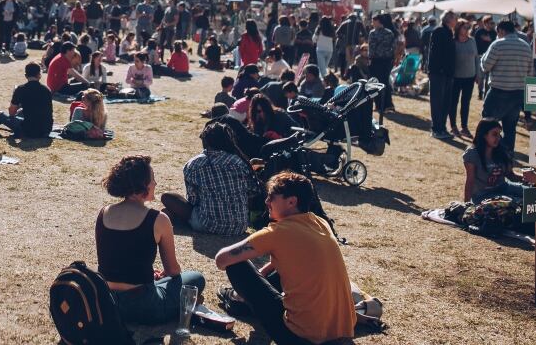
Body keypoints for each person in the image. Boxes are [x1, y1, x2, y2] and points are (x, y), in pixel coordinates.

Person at [215, 171, 356, 345]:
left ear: (291, 201)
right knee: (278, 272)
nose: (266, 201)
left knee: (237, 266)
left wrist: (248, 287)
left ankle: (237, 300)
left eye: (271, 197)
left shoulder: (278, 232)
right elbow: (280, 263)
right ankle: (240, 300)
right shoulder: (320, 223)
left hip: (300, 338)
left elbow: (221, 259)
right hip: (341, 334)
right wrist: (258, 279)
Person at [95, 155, 206, 325]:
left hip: (106, 301)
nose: (155, 184)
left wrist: (146, 272)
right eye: (152, 179)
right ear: (143, 185)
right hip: (145, 305)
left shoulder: (104, 213)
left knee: (160, 281)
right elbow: (173, 271)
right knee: (196, 278)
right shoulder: (158, 219)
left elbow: (116, 258)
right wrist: (159, 276)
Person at [162, 121, 262, 236]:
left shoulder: (194, 164)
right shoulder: (239, 162)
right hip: (239, 226)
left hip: (207, 224)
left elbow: (193, 200)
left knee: (167, 197)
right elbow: (252, 191)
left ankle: (173, 217)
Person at [480, 20, 532, 157]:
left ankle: (489, 153)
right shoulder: (526, 46)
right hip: (518, 93)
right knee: (510, 128)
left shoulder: (498, 44)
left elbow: (485, 66)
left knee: (488, 124)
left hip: (498, 91)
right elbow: (531, 72)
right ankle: (507, 155)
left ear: (501, 31)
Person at [0, 61, 55, 138]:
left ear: (26, 75)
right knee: (21, 111)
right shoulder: (47, 89)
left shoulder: (21, 89)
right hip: (46, 130)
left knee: (0, 114)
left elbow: (11, 113)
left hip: (28, 131)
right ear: (39, 75)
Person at [462, 118, 524, 203]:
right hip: (483, 195)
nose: (498, 138)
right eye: (494, 134)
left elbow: (510, 175)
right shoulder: (472, 154)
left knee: (532, 193)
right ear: (484, 135)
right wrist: (466, 205)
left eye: (499, 134)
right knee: (510, 203)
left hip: (503, 188)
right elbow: (470, 181)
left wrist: (528, 177)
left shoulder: (501, 150)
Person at [428, 11, 457, 140]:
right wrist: (438, 69)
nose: (456, 21)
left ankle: (442, 127)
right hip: (438, 73)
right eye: (454, 18)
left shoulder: (449, 32)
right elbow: (435, 53)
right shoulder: (439, 31)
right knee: (437, 102)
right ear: (448, 19)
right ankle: (436, 128)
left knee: (446, 102)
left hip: (448, 73)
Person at [450, 19, 477, 139]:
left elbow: (476, 58)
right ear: (458, 28)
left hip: (470, 77)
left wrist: (478, 74)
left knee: (465, 103)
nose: (467, 29)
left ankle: (464, 127)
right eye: (464, 27)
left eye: (468, 27)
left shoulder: (472, 41)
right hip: (455, 77)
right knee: (453, 102)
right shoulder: (452, 41)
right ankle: (453, 126)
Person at [367, 13, 396, 120]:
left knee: (376, 83)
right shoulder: (389, 33)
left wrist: (369, 59)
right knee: (385, 82)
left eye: (373, 21)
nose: (372, 23)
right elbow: (393, 46)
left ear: (378, 21)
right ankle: (388, 104)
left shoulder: (373, 33)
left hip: (376, 61)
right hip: (387, 61)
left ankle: (379, 105)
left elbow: (371, 48)